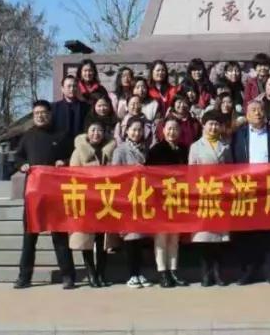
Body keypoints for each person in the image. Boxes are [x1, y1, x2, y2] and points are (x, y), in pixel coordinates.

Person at [14, 100, 75, 290]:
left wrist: (64, 162)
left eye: (44, 112)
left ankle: (68, 275)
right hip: (34, 196)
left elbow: (73, 156)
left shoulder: (62, 134)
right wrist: (21, 165)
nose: (40, 115)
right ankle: (24, 277)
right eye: (37, 113)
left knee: (60, 237)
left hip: (56, 194)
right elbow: (18, 156)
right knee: (29, 237)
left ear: (50, 114)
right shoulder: (27, 136)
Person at [230, 99, 270, 285]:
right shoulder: (238, 136)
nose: (258, 113)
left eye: (261, 110)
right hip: (246, 188)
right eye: (253, 110)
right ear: (246, 115)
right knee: (247, 234)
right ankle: (248, 272)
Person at [68, 120, 116, 287]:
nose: (96, 133)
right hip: (87, 200)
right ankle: (91, 273)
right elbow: (73, 176)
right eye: (93, 130)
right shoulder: (78, 152)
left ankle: (101, 273)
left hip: (105, 200)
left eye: (100, 130)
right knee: (86, 240)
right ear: (87, 133)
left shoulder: (111, 150)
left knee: (102, 240)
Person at [189, 110, 231, 287]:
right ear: (204, 125)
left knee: (219, 241)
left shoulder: (226, 146)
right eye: (210, 124)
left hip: (221, 196)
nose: (213, 127)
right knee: (204, 240)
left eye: (216, 124)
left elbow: (232, 171)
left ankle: (218, 273)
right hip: (203, 196)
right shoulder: (195, 147)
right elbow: (191, 173)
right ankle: (205, 274)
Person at [147, 118, 190, 288]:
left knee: (174, 237)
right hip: (161, 199)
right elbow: (149, 175)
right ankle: (162, 271)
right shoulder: (156, 150)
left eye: (175, 129)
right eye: (169, 128)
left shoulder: (185, 150)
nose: (172, 132)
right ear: (163, 131)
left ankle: (173, 270)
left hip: (179, 198)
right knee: (161, 237)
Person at [112, 117, 152, 287]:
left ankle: (140, 272)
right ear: (126, 131)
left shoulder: (146, 149)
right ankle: (131, 274)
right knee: (130, 238)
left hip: (142, 197)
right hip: (126, 198)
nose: (137, 133)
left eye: (139, 130)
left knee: (140, 238)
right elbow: (115, 174)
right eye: (133, 129)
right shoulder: (120, 150)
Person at [51, 76, 86, 145]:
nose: (72, 89)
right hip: (59, 147)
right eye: (69, 86)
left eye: (74, 86)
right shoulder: (53, 108)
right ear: (62, 89)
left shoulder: (86, 107)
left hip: (80, 148)